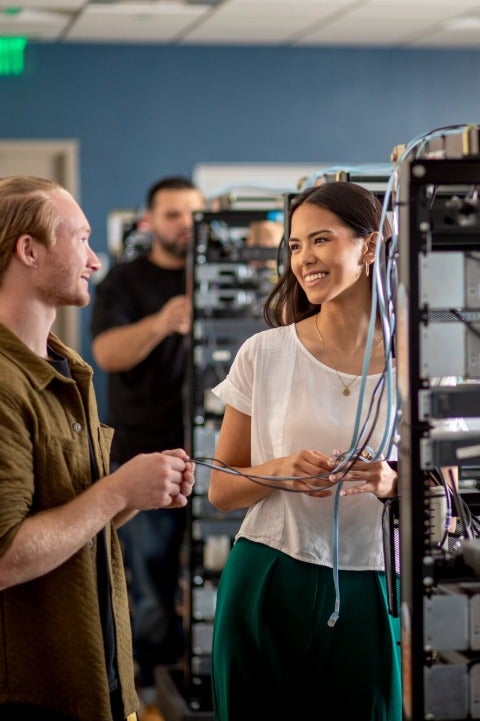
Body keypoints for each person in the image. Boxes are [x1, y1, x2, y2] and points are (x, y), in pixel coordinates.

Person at [0, 175, 195, 721]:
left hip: (92, 673)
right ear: (29, 249)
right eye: (81, 239)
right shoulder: (4, 383)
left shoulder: (65, 369)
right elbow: (4, 554)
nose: (93, 260)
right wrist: (114, 492)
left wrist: (134, 492)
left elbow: (71, 517)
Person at [207, 181, 402, 721]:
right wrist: (279, 471)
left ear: (370, 245)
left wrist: (394, 482)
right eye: (294, 245)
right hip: (268, 576)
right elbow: (221, 490)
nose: (305, 259)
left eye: (320, 240)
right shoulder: (264, 354)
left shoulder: (417, 359)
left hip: (370, 582)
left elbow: (450, 485)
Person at [90, 176, 205, 698]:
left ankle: (202, 674)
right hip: (141, 454)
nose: (184, 225)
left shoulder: (219, 276)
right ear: (150, 221)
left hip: (214, 452)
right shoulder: (124, 282)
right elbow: (108, 354)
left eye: (192, 214)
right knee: (148, 583)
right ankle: (154, 689)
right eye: (173, 215)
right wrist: (162, 322)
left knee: (212, 575)